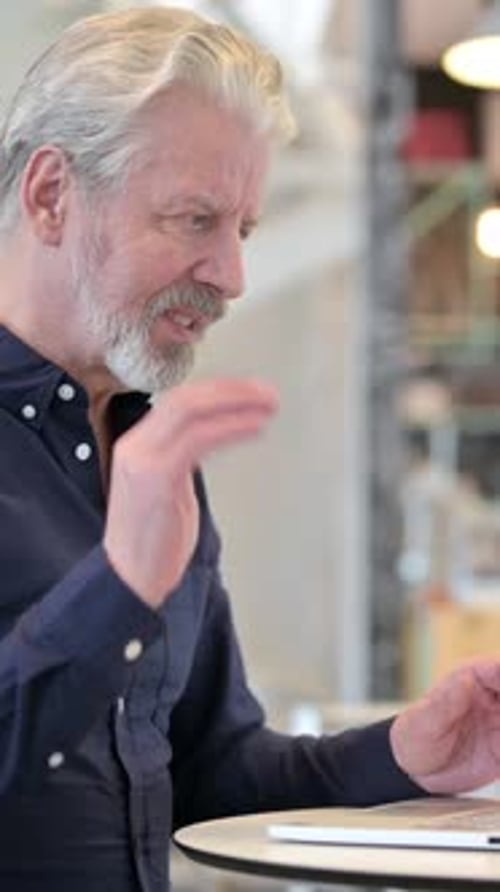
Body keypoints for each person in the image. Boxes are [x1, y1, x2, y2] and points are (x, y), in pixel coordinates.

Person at [0, 6, 498, 891]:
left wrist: (406, 754)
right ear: (49, 196)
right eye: (195, 220)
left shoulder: (149, 450)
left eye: (244, 230)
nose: (231, 276)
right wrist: (116, 589)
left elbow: (209, 772)